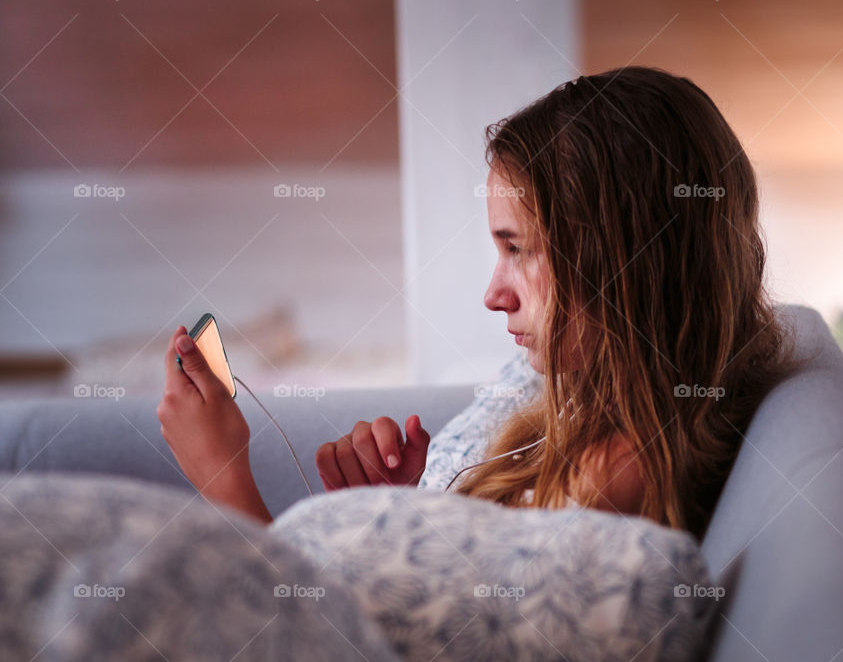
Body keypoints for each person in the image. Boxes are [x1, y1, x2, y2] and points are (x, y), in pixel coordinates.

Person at [158, 66, 797, 538]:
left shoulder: (612, 478)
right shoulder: (579, 402)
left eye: (519, 249)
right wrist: (406, 506)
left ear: (624, 262)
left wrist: (223, 482)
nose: (493, 295)